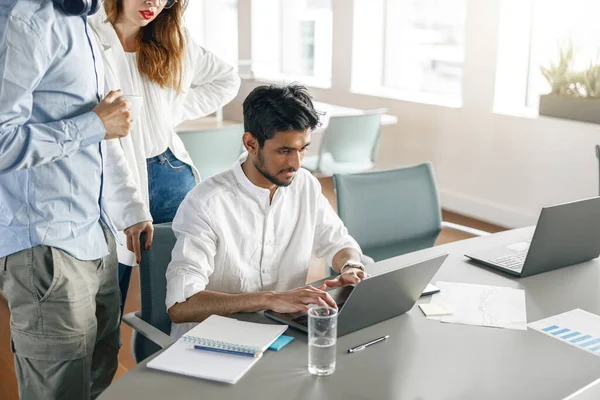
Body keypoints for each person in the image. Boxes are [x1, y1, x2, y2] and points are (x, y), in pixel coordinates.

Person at [0, 0, 141, 398]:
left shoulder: (84, 22)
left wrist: (127, 209)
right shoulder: (23, 22)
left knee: (99, 377)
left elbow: (103, 132)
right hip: (46, 246)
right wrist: (93, 125)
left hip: (95, 234)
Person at [165, 84, 368, 339]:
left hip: (280, 337)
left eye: (302, 148)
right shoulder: (206, 203)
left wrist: (349, 266)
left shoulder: (304, 185)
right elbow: (181, 306)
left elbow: (339, 242)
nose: (296, 163)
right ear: (251, 143)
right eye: (284, 151)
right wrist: (270, 300)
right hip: (215, 343)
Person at [89, 0, 241, 317]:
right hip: (112, 180)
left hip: (170, 172)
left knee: (179, 290)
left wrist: (171, 111)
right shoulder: (88, 34)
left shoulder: (174, 38)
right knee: (106, 295)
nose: (153, 4)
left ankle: (170, 357)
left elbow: (226, 80)